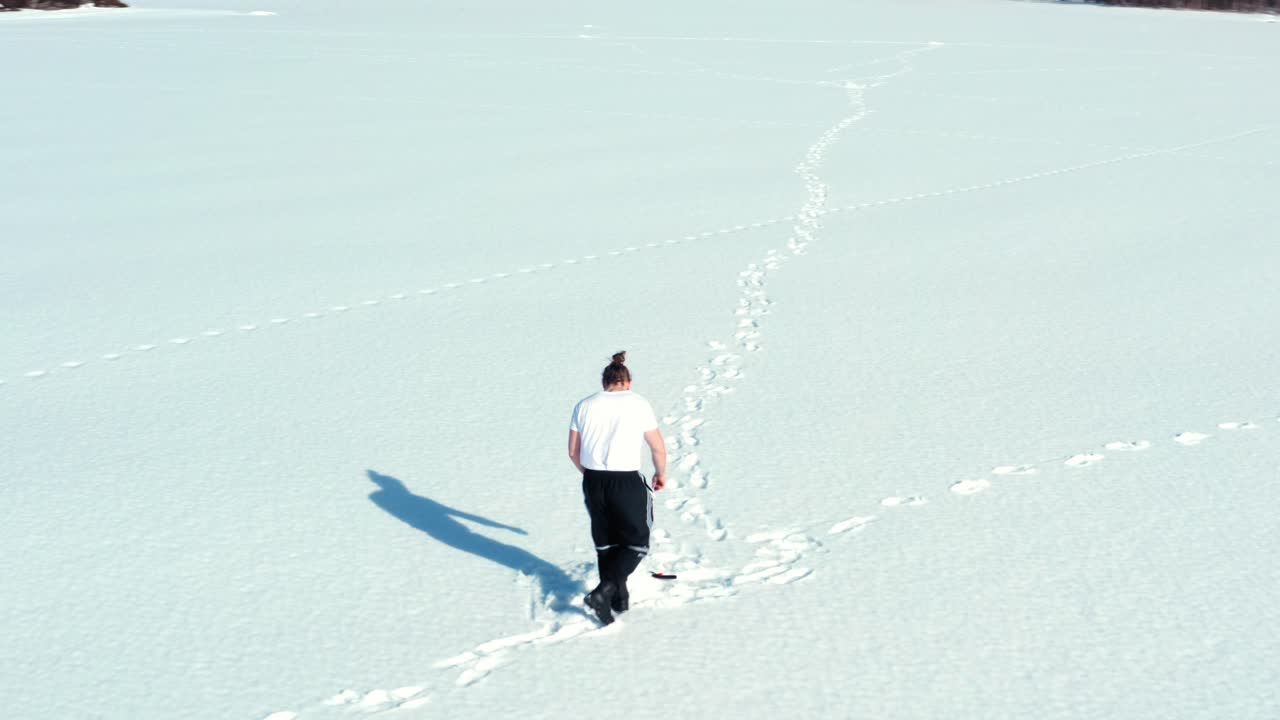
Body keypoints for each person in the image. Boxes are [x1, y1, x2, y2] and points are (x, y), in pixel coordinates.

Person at [568, 351, 667, 625]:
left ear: (604, 382)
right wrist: (660, 473)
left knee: (607, 542)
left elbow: (573, 451)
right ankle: (604, 592)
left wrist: (590, 475)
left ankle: (618, 599)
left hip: (593, 480)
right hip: (625, 480)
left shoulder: (584, 405)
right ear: (629, 381)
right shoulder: (638, 404)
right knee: (636, 543)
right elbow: (657, 446)